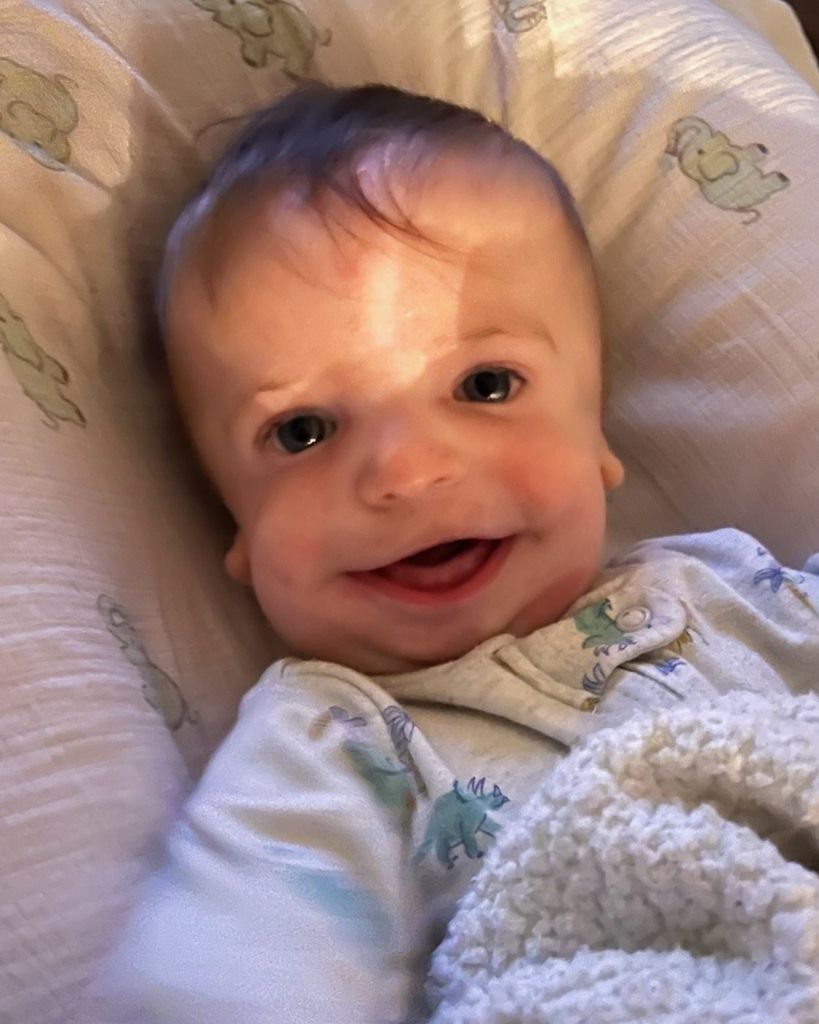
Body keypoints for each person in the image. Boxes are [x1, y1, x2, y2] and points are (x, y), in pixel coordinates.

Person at [101, 82, 819, 1023]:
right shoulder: (331, 741)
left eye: (484, 385)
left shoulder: (727, 582)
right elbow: (242, 961)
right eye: (303, 431)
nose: (407, 473)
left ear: (596, 439)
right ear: (236, 530)